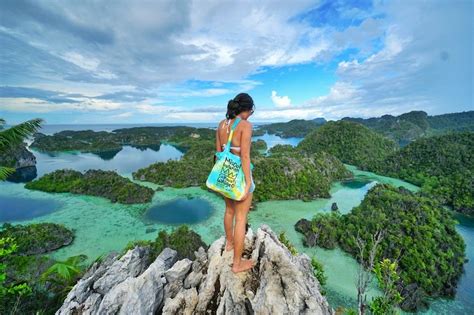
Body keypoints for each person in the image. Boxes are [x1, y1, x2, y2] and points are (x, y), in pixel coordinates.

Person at [215, 93, 256, 273]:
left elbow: (218, 153)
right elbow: (245, 156)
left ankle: (229, 243)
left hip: (225, 174)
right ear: (247, 110)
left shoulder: (221, 125)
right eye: (251, 111)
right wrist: (247, 183)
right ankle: (237, 264)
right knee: (241, 218)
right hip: (239, 176)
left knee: (229, 210)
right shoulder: (245, 126)